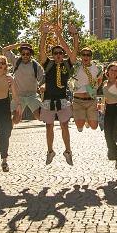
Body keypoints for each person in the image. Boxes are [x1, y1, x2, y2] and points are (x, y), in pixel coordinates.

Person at [39, 23, 75, 165]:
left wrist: (72, 36)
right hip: (48, 100)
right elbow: (41, 50)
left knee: (64, 125)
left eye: (61, 53)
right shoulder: (48, 64)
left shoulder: (67, 64)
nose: (58, 55)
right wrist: (44, 34)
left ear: (63, 54)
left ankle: (68, 151)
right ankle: (50, 151)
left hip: (63, 99)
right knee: (49, 126)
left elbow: (74, 51)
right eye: (55, 53)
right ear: (52, 55)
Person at [69, 28, 103, 132]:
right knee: (79, 127)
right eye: (83, 54)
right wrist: (75, 35)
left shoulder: (97, 67)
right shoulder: (77, 65)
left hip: (91, 100)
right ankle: (83, 118)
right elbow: (73, 49)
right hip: (78, 100)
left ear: (91, 57)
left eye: (88, 55)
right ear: (81, 56)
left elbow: (100, 79)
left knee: (94, 127)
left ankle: (88, 118)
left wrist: (94, 88)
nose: (85, 56)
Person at [2, 42, 45, 123]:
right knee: (15, 120)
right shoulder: (16, 61)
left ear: (31, 54)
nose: (25, 56)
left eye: (27, 54)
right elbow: (4, 50)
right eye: (23, 54)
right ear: (20, 54)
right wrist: (18, 44)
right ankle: (7, 131)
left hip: (32, 95)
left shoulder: (36, 65)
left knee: (41, 116)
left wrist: (43, 86)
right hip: (18, 96)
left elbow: (43, 80)